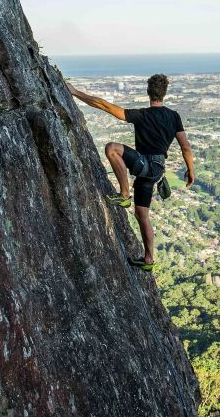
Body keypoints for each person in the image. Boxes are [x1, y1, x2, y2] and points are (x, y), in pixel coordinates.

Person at [66, 74, 194, 271]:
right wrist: (190, 171)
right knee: (141, 214)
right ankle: (148, 260)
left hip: (147, 166)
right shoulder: (173, 116)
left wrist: (75, 93)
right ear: (165, 93)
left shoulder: (142, 114)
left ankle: (124, 195)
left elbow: (105, 106)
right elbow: (185, 147)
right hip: (156, 170)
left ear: (148, 92)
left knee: (112, 148)